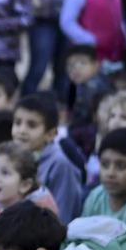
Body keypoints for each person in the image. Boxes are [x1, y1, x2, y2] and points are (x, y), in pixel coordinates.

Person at [13, 94, 84, 223]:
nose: (21, 130)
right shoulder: (13, 157)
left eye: (32, 125)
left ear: (51, 134)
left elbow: (62, 218)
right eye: (17, 123)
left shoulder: (60, 165)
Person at [64, 45, 112, 156]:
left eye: (83, 63)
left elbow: (83, 117)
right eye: (71, 65)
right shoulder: (77, 85)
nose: (76, 68)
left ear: (96, 65)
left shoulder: (94, 87)